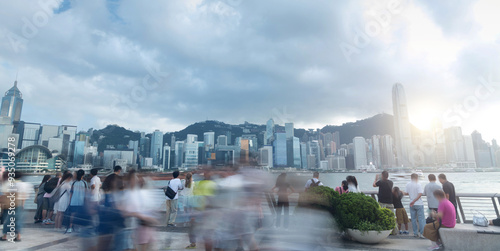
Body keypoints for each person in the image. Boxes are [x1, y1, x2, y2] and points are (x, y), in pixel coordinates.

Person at [1, 171, 33, 242]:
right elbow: (25, 195)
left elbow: (5, 194)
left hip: (10, 204)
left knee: (8, 219)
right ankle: (18, 236)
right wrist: (23, 204)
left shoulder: (10, 184)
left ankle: (4, 236)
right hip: (20, 204)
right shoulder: (25, 184)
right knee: (18, 220)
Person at [66, 169, 89, 233]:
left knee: (72, 215)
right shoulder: (84, 183)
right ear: (83, 175)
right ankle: (79, 227)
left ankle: (70, 228)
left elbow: (71, 193)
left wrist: (70, 202)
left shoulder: (74, 182)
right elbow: (86, 193)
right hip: (81, 202)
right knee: (80, 215)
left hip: (73, 201)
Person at [404, 173, 425, 238]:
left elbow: (406, 193)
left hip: (411, 204)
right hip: (418, 203)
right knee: (421, 219)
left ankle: (415, 233)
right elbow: (420, 194)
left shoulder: (408, 184)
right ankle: (422, 233)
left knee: (413, 219)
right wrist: (414, 201)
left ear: (411, 178)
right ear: (416, 178)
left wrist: (412, 200)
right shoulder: (418, 184)